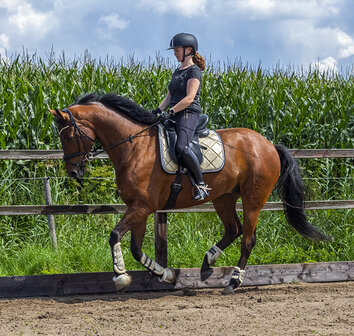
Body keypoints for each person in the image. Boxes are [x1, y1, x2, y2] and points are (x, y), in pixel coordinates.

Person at [152, 32, 210, 201]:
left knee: (182, 147)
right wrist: (157, 110)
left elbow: (189, 98)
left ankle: (201, 185)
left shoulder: (194, 72)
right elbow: (169, 97)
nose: (175, 53)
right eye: (175, 50)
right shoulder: (177, 71)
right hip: (174, 112)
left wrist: (171, 111)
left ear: (188, 50)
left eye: (177, 50)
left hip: (188, 113)